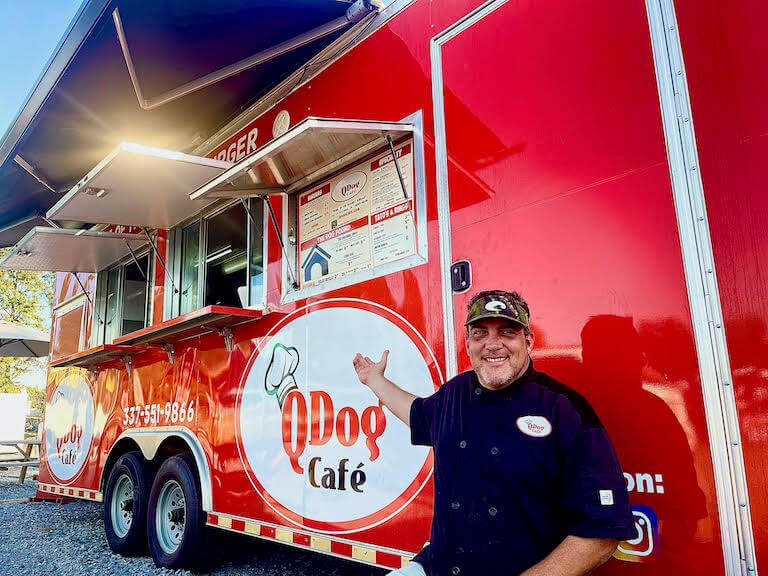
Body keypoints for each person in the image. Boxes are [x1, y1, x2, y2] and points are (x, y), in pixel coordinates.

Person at [353, 290, 635, 576]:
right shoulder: (454, 392)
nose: (492, 344)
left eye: (507, 332)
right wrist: (374, 380)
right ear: (467, 343)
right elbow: (416, 414)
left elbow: (601, 532)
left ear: (528, 341)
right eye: (480, 333)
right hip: (436, 566)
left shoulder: (564, 408)